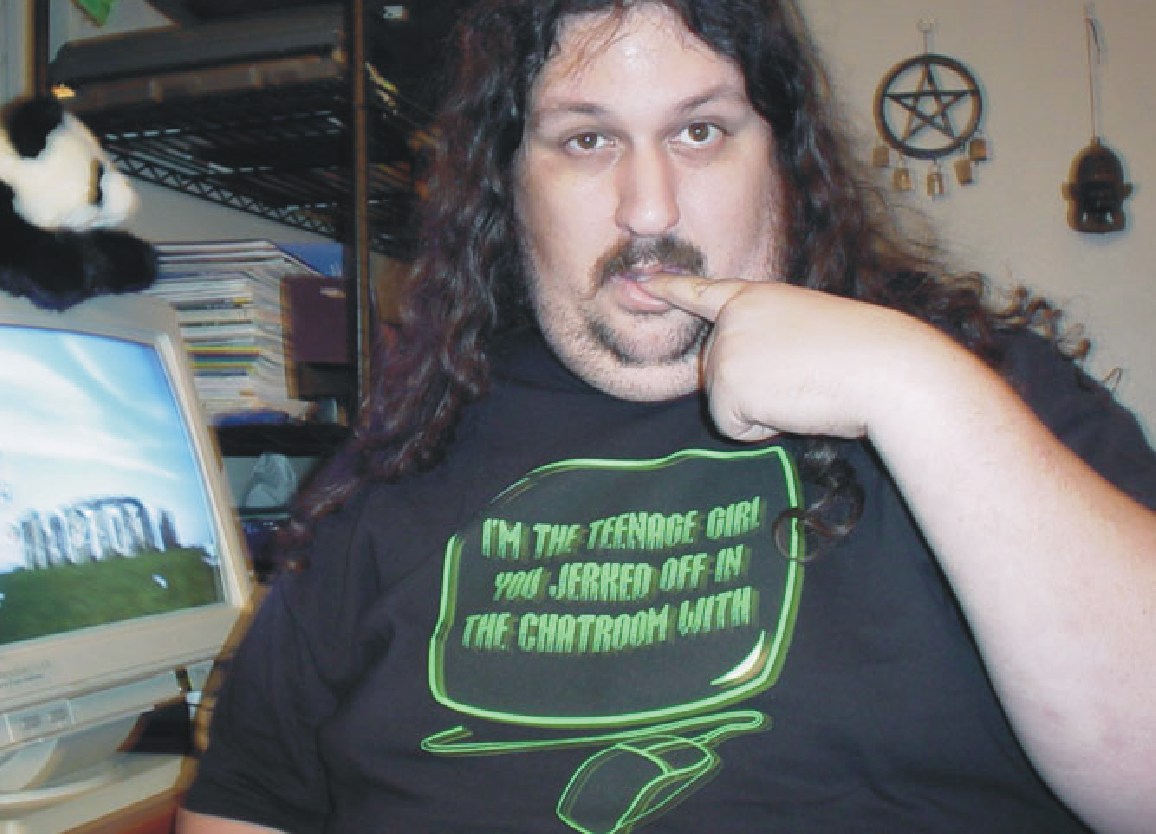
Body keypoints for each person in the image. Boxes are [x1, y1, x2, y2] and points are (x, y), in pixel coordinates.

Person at [178, 1, 1156, 832]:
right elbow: (245, 803)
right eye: (586, 139)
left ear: (782, 160)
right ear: (511, 186)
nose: (648, 209)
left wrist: (914, 387)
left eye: (700, 132)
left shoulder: (980, 391)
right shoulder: (391, 462)